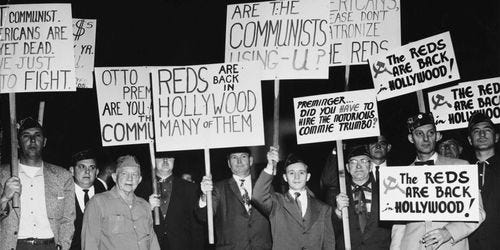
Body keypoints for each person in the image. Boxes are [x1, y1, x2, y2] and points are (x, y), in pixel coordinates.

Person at [391, 112, 485, 250]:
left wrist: (449, 232)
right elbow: (398, 225)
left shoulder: (461, 167)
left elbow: (478, 211)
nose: (426, 138)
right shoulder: (400, 176)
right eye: (419, 134)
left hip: (450, 246)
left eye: (430, 133)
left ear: (438, 136)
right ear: (411, 138)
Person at [0, 117, 75, 250]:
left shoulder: (63, 176)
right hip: (14, 246)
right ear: (17, 143)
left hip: (50, 245)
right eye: (26, 136)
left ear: (44, 141)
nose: (33, 140)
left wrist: (62, 246)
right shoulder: (3, 175)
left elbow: (68, 219)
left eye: (37, 135)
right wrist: (4, 198)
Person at [252, 147, 335, 250]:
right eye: (291, 173)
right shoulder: (276, 203)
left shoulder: (323, 208)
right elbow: (257, 195)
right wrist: (270, 166)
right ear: (285, 177)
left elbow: (329, 244)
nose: (296, 177)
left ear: (308, 176)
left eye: (301, 173)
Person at [197, 147, 272, 250]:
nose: (239, 161)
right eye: (234, 157)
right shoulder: (218, 188)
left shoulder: (265, 186)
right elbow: (203, 216)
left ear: (251, 161)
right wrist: (205, 196)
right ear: (229, 163)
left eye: (243, 156)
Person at [81, 155, 160, 250]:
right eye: (124, 174)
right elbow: (90, 243)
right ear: (114, 177)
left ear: (139, 180)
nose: (130, 179)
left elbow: (152, 241)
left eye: (134, 174)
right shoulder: (98, 203)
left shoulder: (144, 206)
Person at [334, 145, 391, 249]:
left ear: (370, 167)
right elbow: (329, 229)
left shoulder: (386, 191)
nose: (358, 166)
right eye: (353, 162)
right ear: (347, 167)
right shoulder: (338, 194)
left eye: (364, 161)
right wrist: (338, 212)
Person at [147, 153, 203, 250]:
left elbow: (196, 226)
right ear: (154, 160)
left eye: (169, 157)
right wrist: (147, 208)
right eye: (161, 157)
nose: (165, 161)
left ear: (174, 159)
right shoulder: (141, 188)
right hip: (151, 245)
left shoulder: (190, 188)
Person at [466, 112, 500, 249]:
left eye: (487, 130)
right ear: (469, 140)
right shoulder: (461, 173)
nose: (482, 135)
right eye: (476, 131)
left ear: (496, 137)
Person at [68, 149, 106, 250]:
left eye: (92, 167)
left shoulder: (105, 195)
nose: (87, 171)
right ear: (72, 170)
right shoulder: (63, 195)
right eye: (81, 167)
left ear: (97, 172)